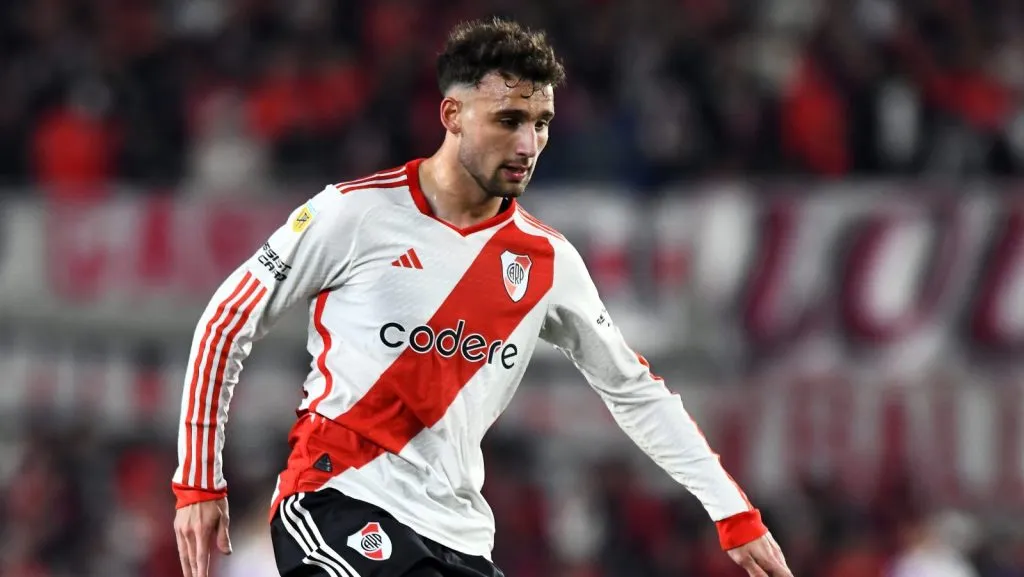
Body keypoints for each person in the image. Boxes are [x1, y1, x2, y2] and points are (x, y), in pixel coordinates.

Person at [172, 17, 793, 577]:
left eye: (541, 123)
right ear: (452, 116)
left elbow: (634, 390)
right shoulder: (353, 213)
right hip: (338, 499)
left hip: (459, 536)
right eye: (508, 120)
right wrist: (199, 482)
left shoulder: (548, 263)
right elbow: (226, 322)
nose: (528, 144)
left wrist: (731, 511)